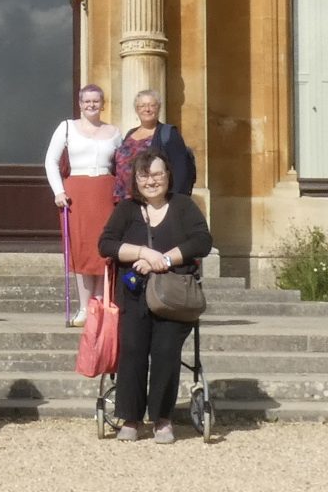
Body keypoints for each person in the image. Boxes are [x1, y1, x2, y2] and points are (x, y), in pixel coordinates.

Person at [99, 150, 212, 443]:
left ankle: (162, 418)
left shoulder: (183, 206)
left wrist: (164, 259)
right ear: (135, 179)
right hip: (134, 294)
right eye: (144, 175)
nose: (151, 181)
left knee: (165, 351)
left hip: (173, 296)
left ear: (168, 176)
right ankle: (131, 418)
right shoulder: (126, 209)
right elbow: (106, 244)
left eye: (157, 174)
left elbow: (202, 241)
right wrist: (143, 253)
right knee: (133, 350)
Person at [44, 84, 122, 326]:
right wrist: (58, 191)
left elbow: (121, 166)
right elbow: (50, 160)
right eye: (87, 101)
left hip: (105, 191)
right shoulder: (67, 127)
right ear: (80, 104)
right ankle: (84, 307)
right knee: (81, 248)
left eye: (96, 101)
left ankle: (99, 302)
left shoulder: (114, 132)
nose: (91, 105)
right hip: (76, 192)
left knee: (103, 247)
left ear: (103, 104)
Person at [113, 90, 196, 200]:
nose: (147, 109)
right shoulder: (130, 134)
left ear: (159, 108)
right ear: (137, 110)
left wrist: (173, 202)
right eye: (142, 106)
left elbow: (180, 172)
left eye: (152, 105)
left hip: (153, 201)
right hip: (124, 200)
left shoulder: (169, 133)